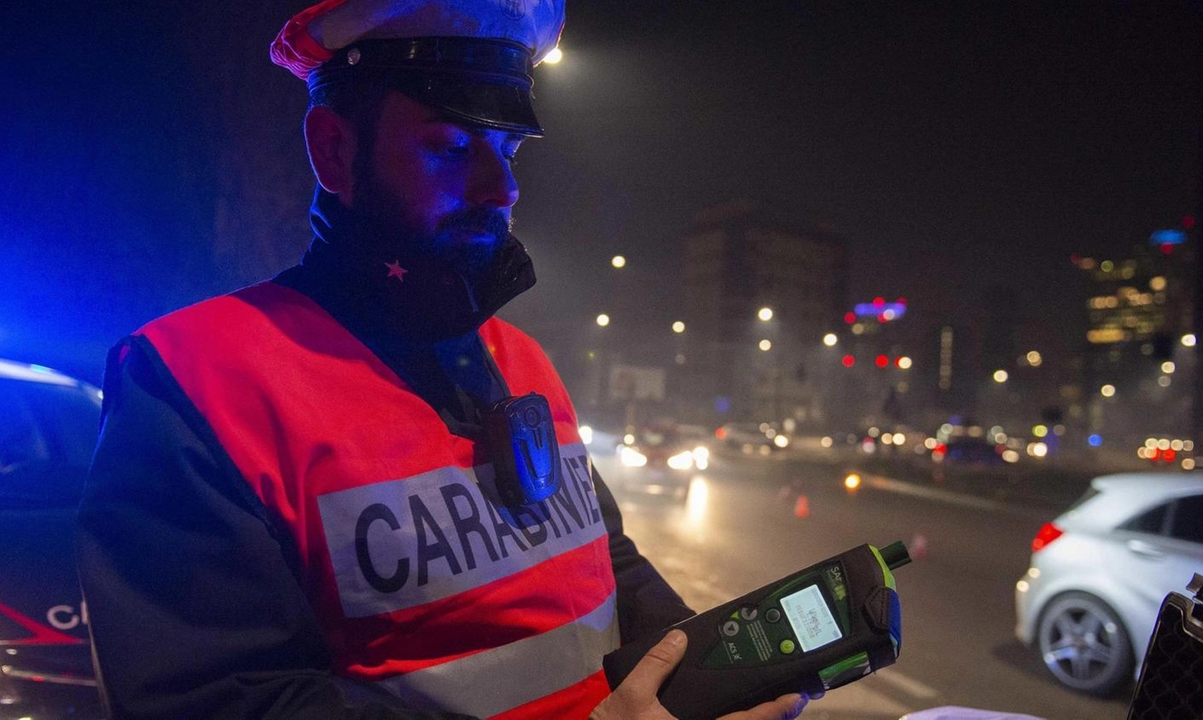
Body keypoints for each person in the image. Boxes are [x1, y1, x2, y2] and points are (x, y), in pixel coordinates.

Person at [76, 1, 811, 719]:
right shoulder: (191, 381)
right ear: (333, 148)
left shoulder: (524, 361)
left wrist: (711, 677)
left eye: (509, 151)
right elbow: (222, 698)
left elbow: (604, 561)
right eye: (452, 148)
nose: (505, 189)